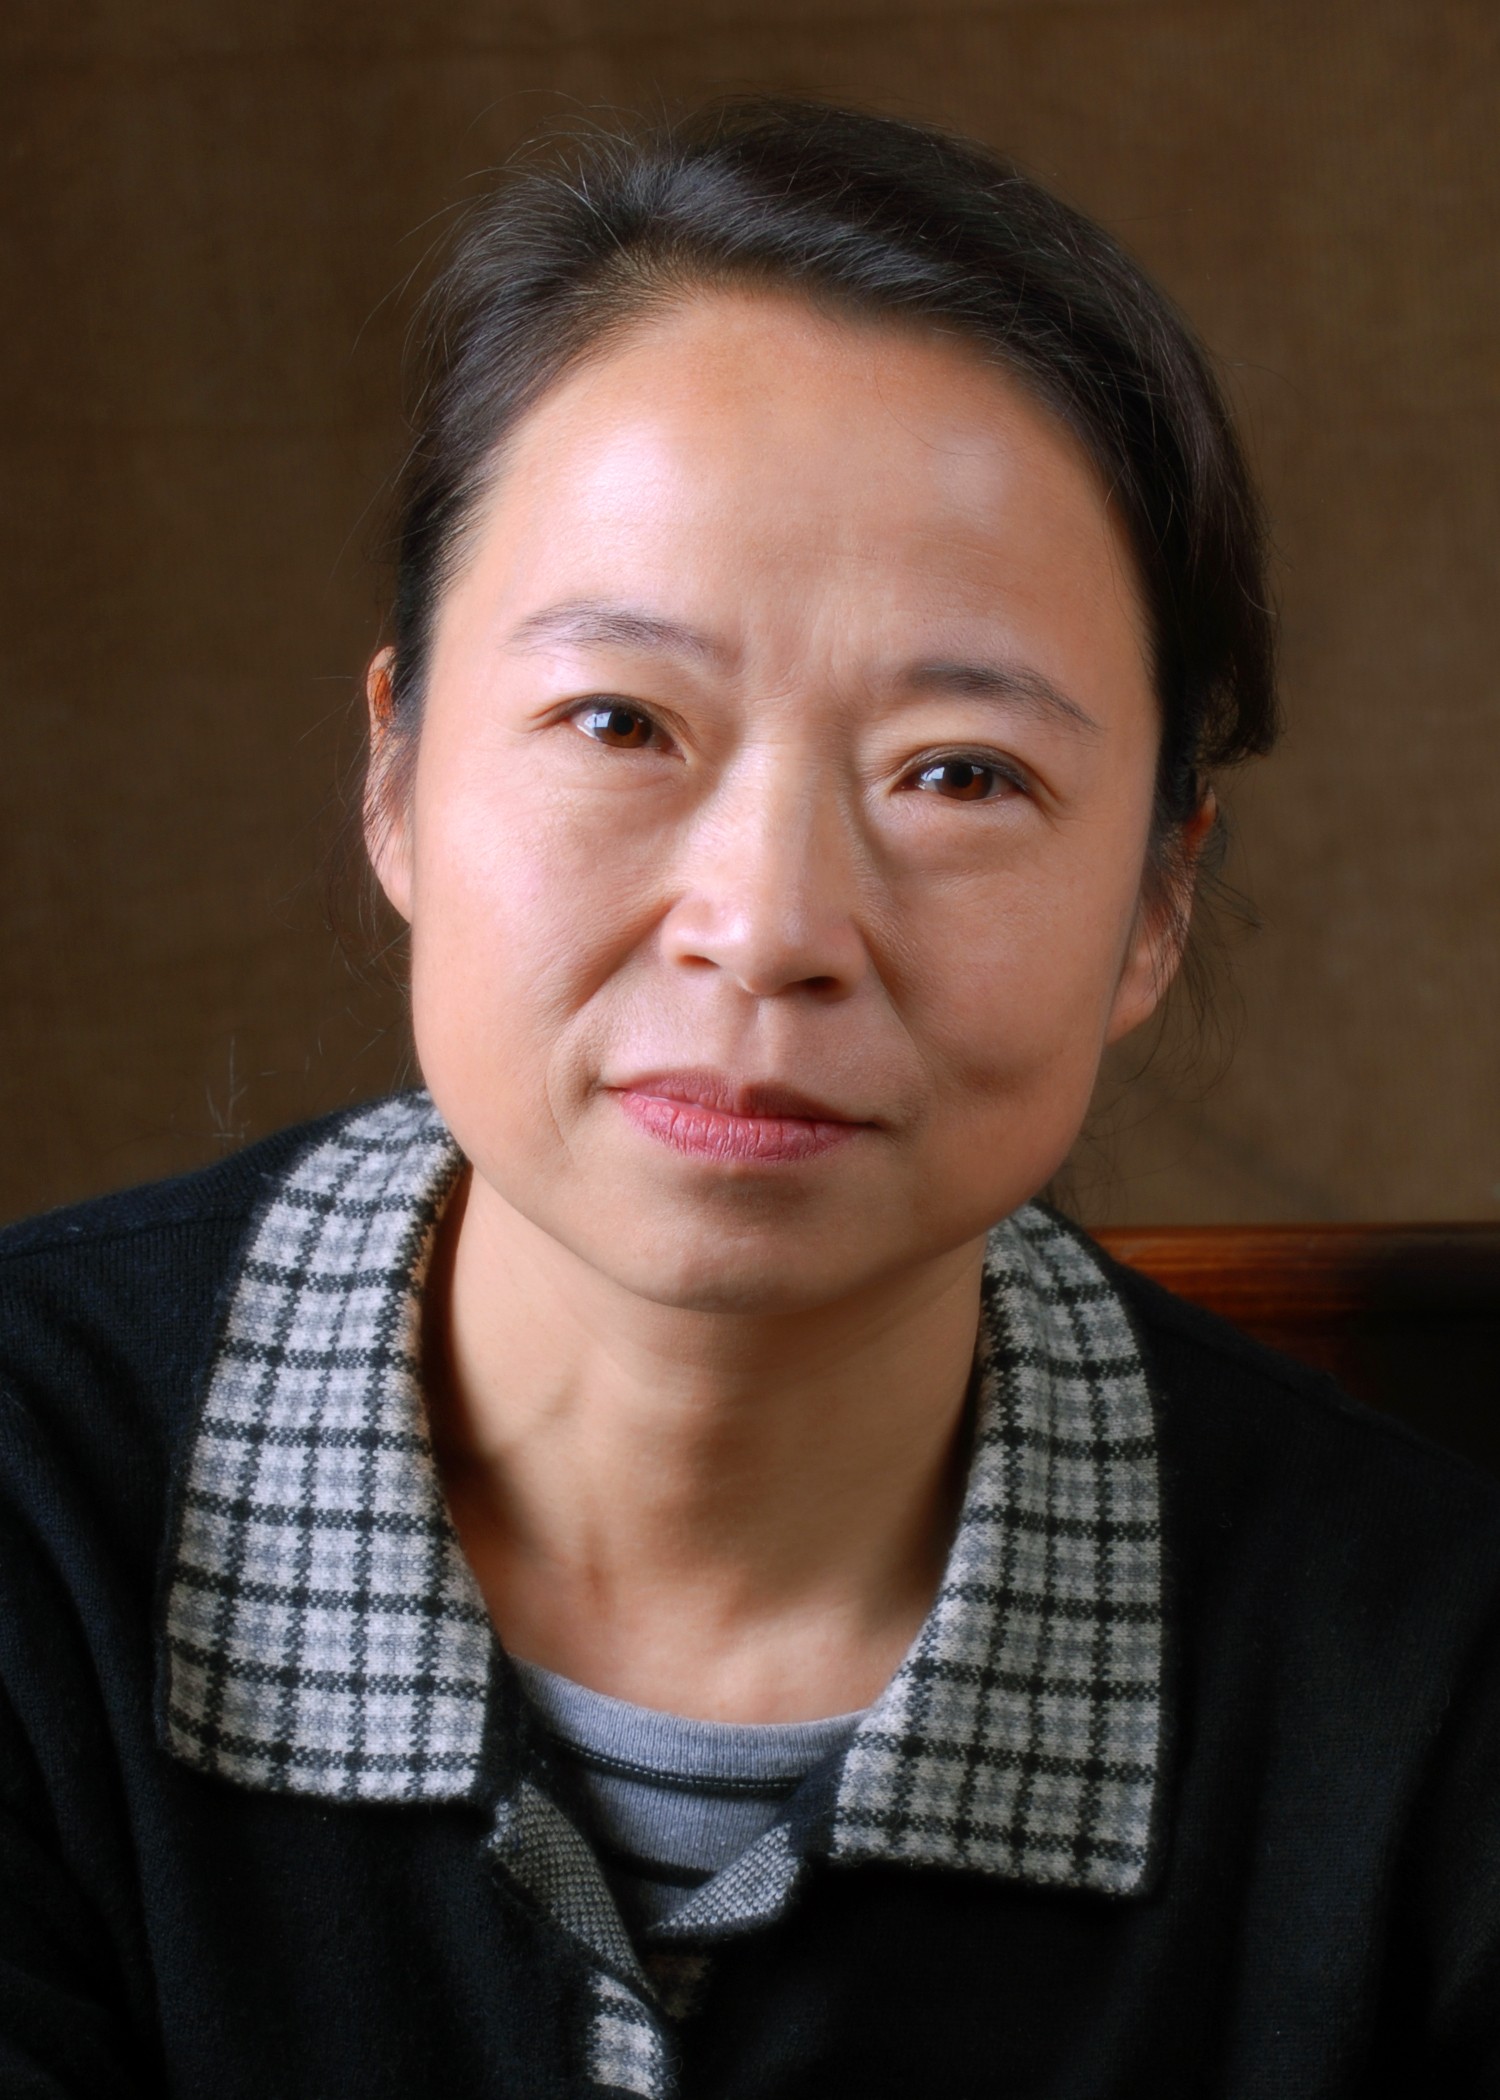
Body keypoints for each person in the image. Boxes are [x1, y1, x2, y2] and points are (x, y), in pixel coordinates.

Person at [1, 97, 1497, 2100]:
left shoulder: (1430, 1686)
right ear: (398, 774)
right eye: (621, 720)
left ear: (1157, 902)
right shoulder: (31, 1510)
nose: (770, 925)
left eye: (960, 773)